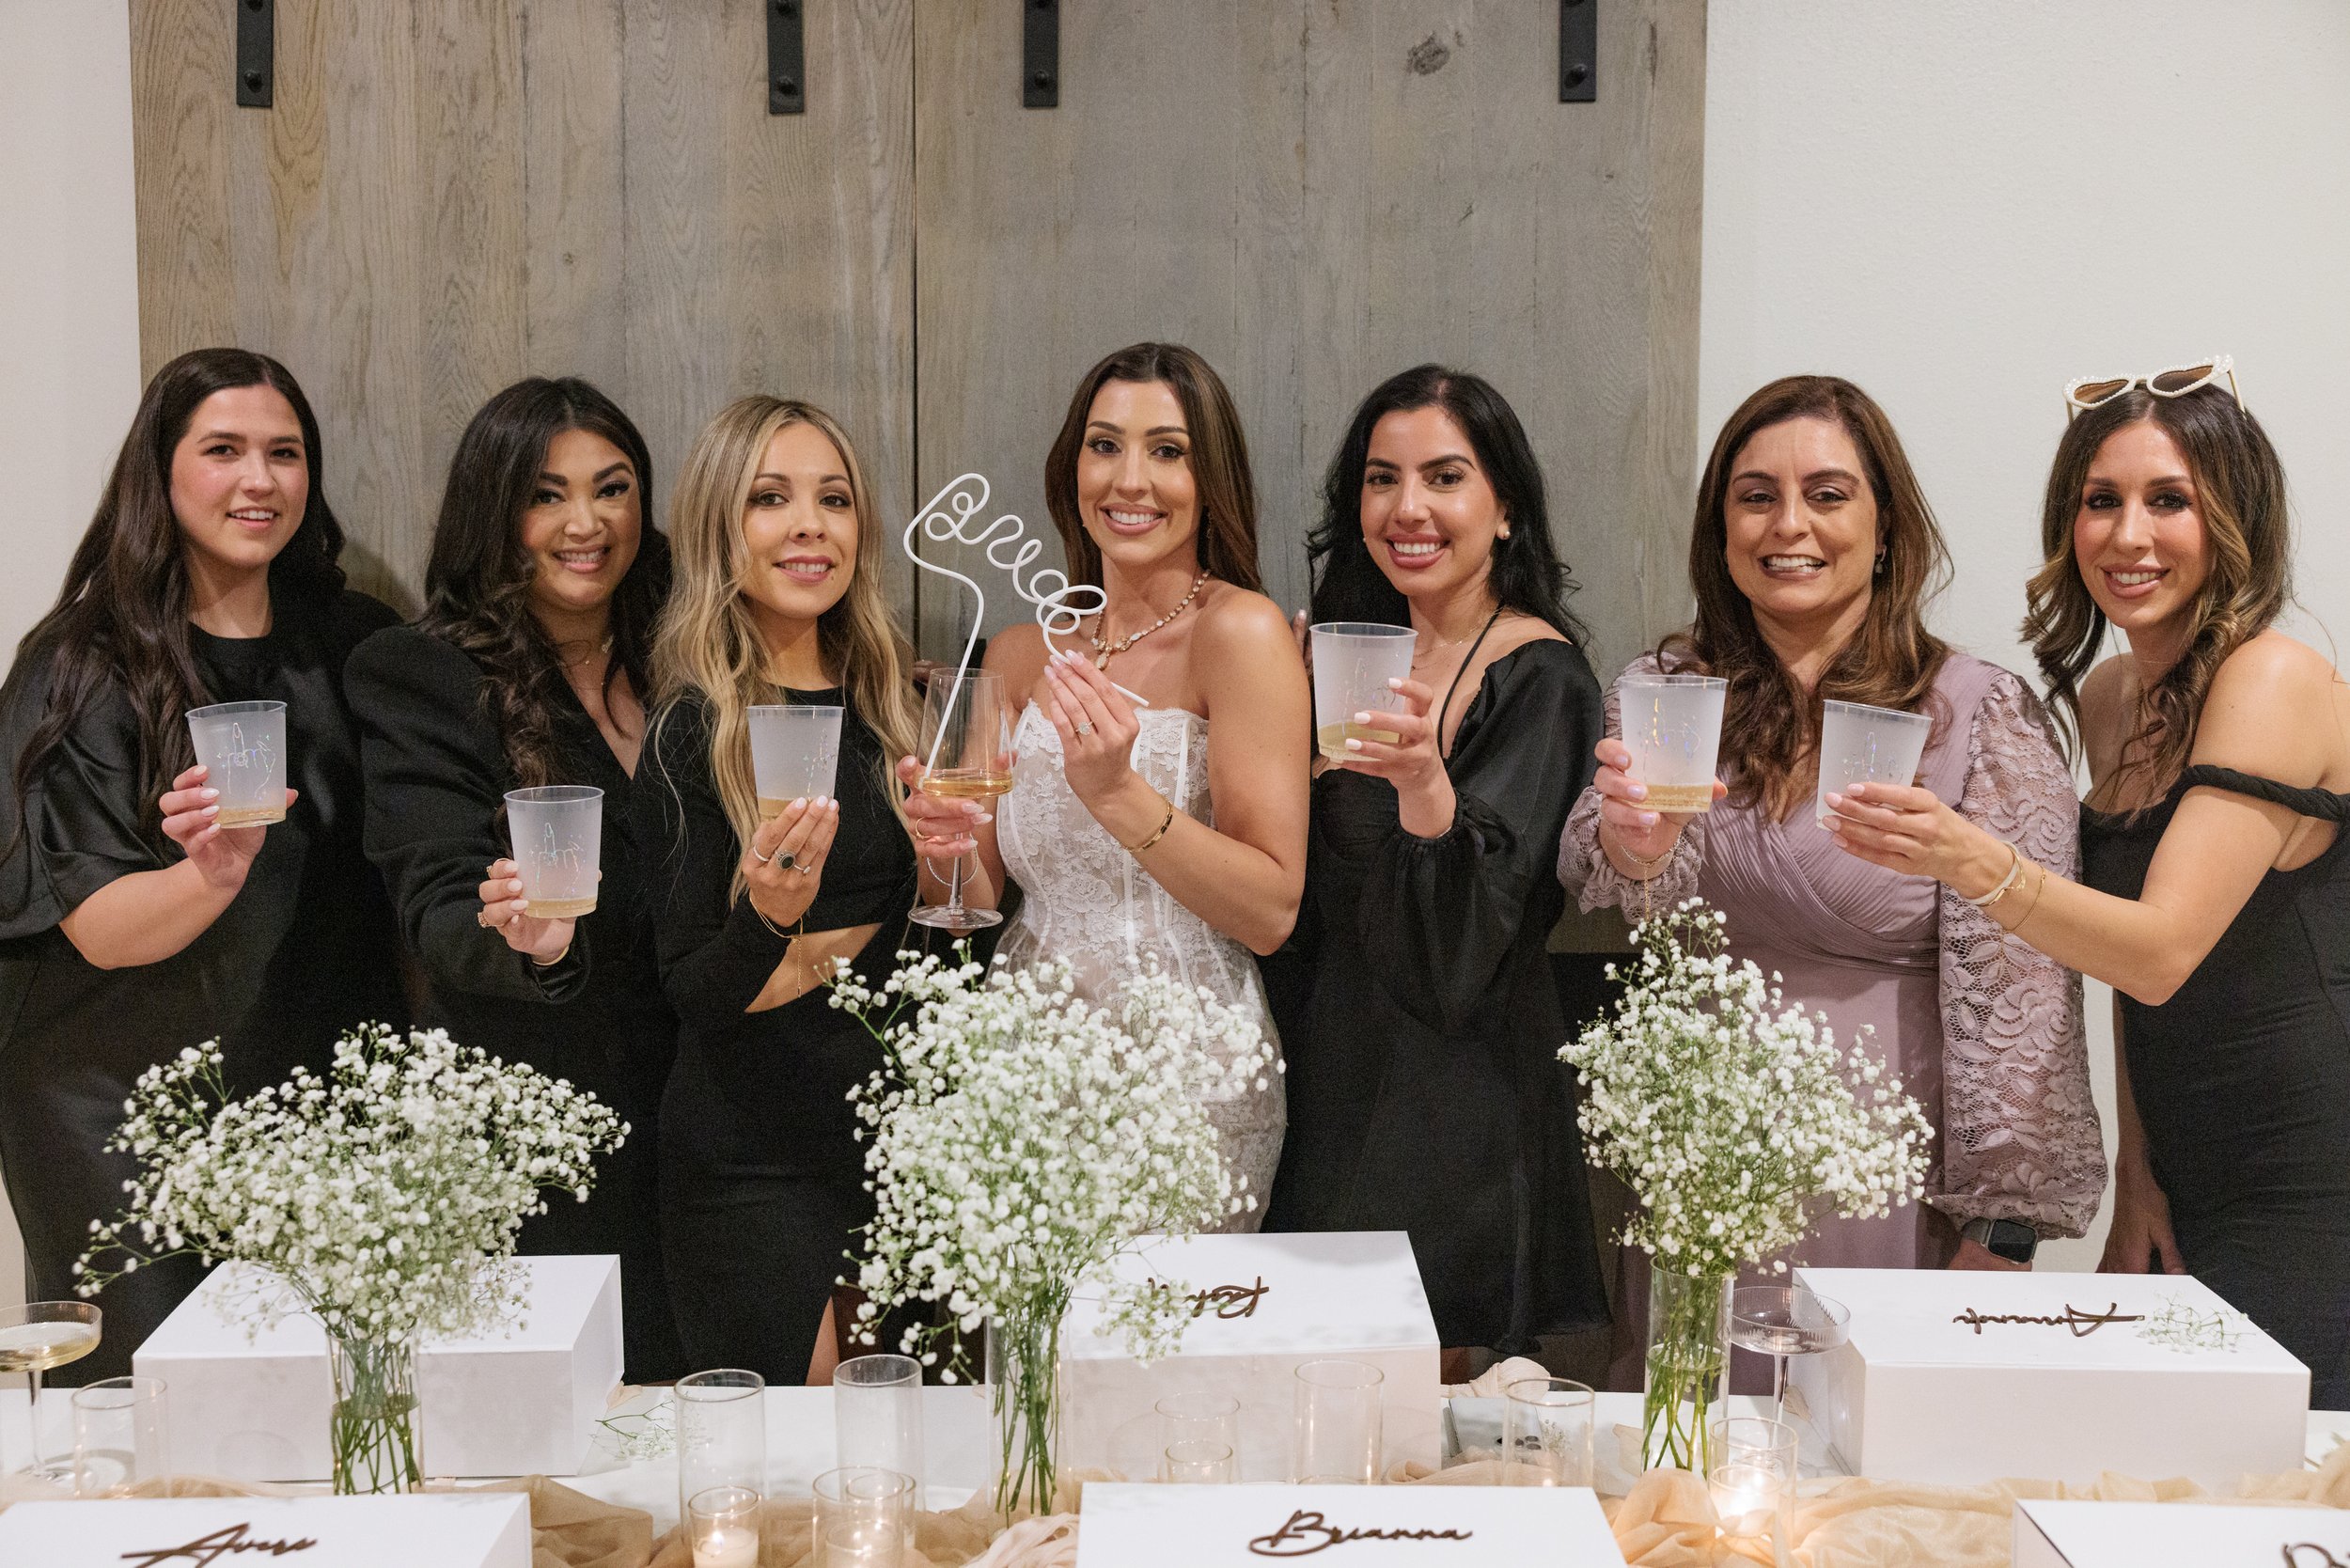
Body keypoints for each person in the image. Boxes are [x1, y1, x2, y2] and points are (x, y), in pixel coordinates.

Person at [1821, 360, 2349, 1404]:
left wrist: (1968, 858)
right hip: (2187, 1165)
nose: (2127, 535)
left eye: (2169, 501)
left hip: (2310, 1169)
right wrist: (2136, 1177)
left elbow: (2159, 952)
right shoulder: (2114, 694)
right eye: (2098, 502)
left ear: (2233, 516)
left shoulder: (2275, 676)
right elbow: (2111, 959)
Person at [1560, 374, 2105, 1295]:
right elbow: (1608, 875)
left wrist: (2000, 1237)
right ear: (1718, 526)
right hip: (1694, 1166)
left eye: (1826, 495)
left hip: (1890, 1188)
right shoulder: (1668, 690)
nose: (1788, 526)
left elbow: (2026, 1007)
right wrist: (1630, 842)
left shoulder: (1977, 714)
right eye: (1756, 497)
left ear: (1885, 525)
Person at [0, 348, 405, 1380]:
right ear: (161, 472)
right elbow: (96, 924)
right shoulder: (83, 663)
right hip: (114, 1110)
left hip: (307, 1089)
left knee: (331, 1409)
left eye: (284, 452)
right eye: (222, 450)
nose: (257, 480)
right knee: (166, 1412)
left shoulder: (353, 641)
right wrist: (211, 875)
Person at [899, 342, 1308, 1222]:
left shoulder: (1240, 633)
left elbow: (1272, 911)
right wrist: (938, 836)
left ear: (1211, 480)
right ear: (1070, 467)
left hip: (1188, 1080)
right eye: (1104, 445)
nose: (1130, 481)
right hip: (1021, 1066)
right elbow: (968, 894)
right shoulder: (1015, 653)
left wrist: (1120, 794)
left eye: (1168, 451)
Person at [1260, 365, 1609, 1368]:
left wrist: (1417, 786)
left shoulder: (1541, 677)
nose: (1407, 508)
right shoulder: (1328, 655)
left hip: (1458, 1109)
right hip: (1321, 1079)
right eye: (1381, 479)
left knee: (1434, 1427)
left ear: (1504, 509)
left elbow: (1461, 953)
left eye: (1444, 477)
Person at [346, 376, 684, 1381]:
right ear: (496, 513)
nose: (586, 522)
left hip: (709, 1113)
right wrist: (527, 942)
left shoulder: (694, 651)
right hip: (539, 1133)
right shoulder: (420, 672)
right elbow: (438, 902)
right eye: (546, 495)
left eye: (612, 488)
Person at [636, 395, 925, 1383]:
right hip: (752, 1161)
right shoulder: (691, 731)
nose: (810, 525)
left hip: (904, 1150)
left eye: (834, 499)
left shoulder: (899, 711)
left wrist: (949, 869)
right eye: (772, 498)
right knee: (793, 1486)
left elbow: (939, 960)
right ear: (723, 529)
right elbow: (700, 993)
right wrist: (773, 920)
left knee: (908, 1474)